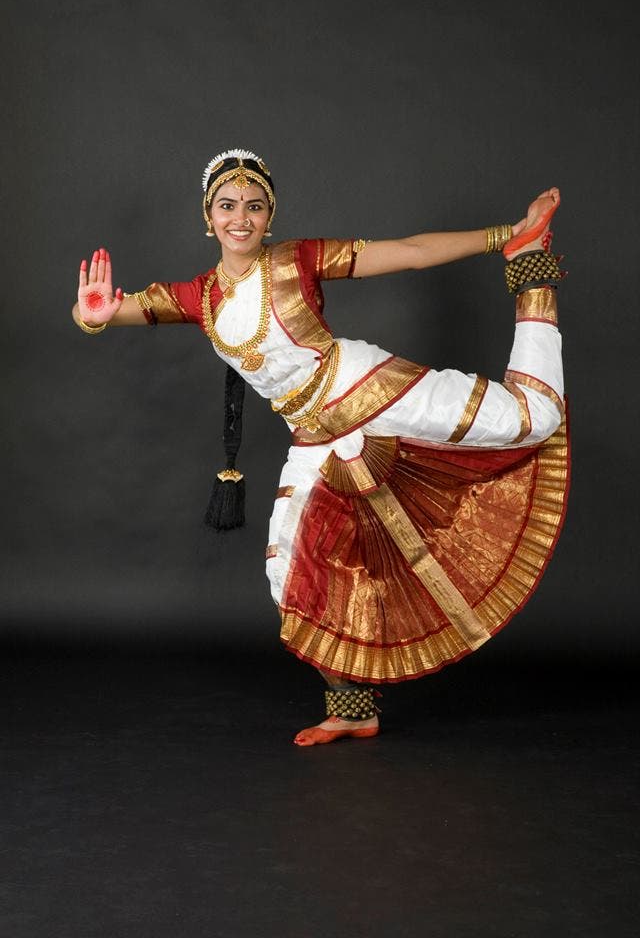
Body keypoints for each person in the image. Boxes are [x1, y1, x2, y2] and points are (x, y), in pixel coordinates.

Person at [72, 149, 568, 747]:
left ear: (269, 216)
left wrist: (506, 236)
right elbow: (115, 309)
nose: (240, 218)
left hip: (366, 389)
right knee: (289, 577)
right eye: (227, 206)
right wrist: (92, 314)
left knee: (533, 418)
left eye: (254, 207)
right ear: (208, 216)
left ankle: (531, 269)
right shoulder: (198, 297)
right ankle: (353, 708)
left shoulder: (296, 259)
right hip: (313, 434)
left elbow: (409, 252)